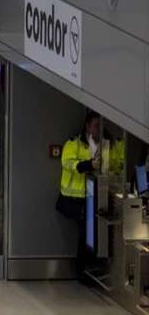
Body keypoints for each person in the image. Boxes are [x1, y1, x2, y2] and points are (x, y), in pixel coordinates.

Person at [57, 111, 102, 262]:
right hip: (74, 199)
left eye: (100, 126)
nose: (98, 129)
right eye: (96, 125)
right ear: (87, 126)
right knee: (86, 234)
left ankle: (89, 267)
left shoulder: (101, 144)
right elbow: (67, 163)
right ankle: (84, 269)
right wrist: (88, 164)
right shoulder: (73, 143)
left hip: (90, 196)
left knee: (90, 233)